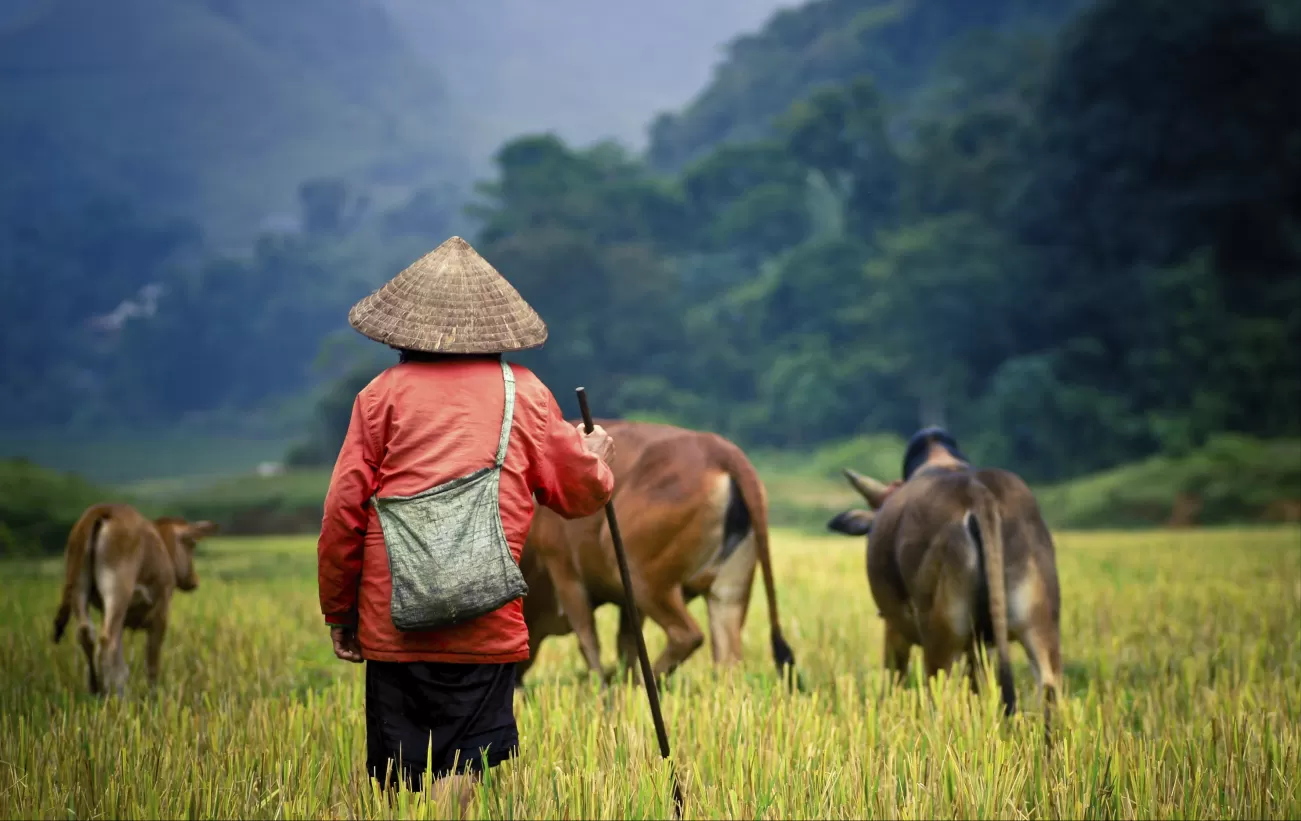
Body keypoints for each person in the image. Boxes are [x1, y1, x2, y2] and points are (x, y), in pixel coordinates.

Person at [316, 235, 616, 811]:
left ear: (404, 333)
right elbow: (578, 495)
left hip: (392, 616)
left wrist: (340, 610)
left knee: (400, 771)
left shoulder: (379, 397)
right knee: (464, 760)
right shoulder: (525, 393)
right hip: (486, 616)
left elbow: (342, 513)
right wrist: (594, 455)